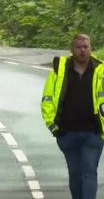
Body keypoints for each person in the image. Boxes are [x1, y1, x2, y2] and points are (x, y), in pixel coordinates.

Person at [41, 34, 104, 199]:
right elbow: (47, 100)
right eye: (79, 47)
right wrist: (53, 127)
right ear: (72, 49)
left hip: (94, 133)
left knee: (89, 171)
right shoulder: (59, 70)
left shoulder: (101, 70)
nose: (83, 50)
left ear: (91, 48)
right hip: (67, 133)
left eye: (86, 47)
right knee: (75, 173)